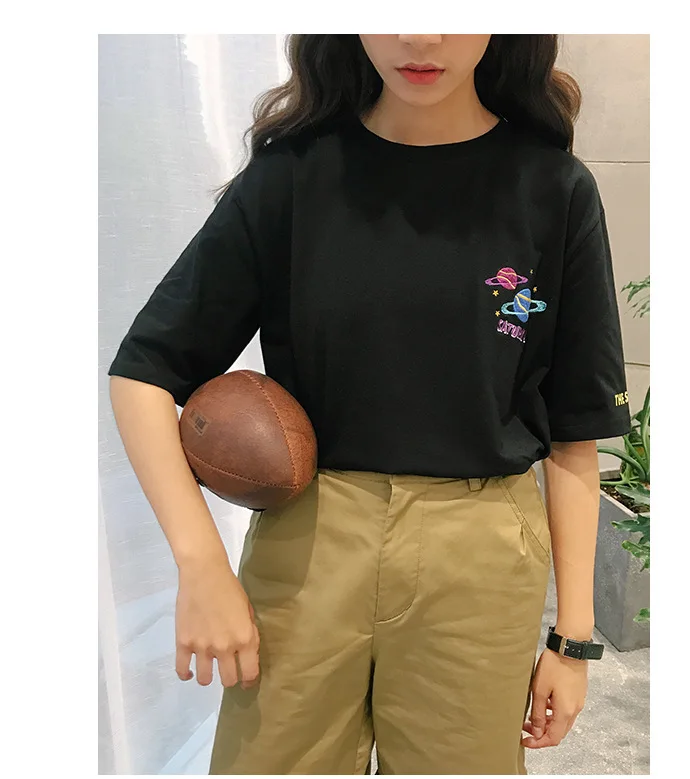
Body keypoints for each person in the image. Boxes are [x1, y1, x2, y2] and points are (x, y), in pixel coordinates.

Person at [108, 34, 632, 775]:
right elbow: (144, 372)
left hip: (479, 556)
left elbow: (575, 432)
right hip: (308, 546)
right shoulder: (293, 176)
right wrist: (200, 564)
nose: (420, 35)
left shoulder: (553, 189)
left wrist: (572, 640)